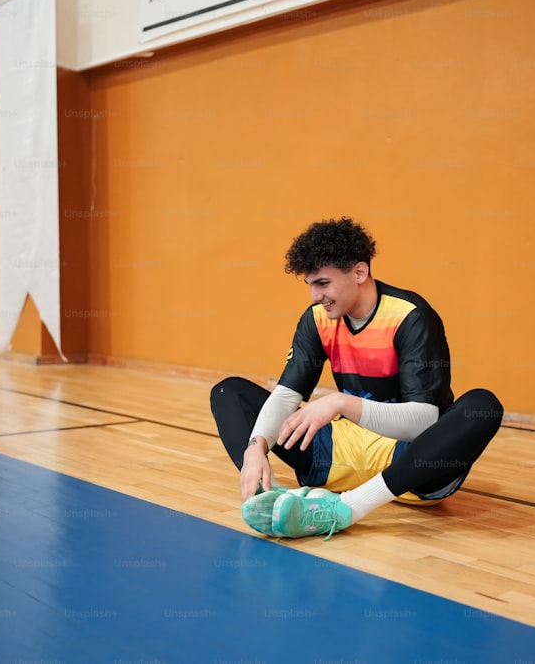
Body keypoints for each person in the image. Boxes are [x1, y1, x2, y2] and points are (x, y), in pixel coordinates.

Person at [210, 217, 503, 540]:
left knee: (483, 405)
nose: (313, 295)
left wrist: (340, 402)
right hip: (335, 458)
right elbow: (285, 395)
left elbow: (422, 422)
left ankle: (347, 509)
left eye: (322, 283)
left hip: (410, 465)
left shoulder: (410, 316)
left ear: (360, 273)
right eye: (309, 284)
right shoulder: (317, 319)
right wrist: (256, 447)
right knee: (229, 391)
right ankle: (272, 498)